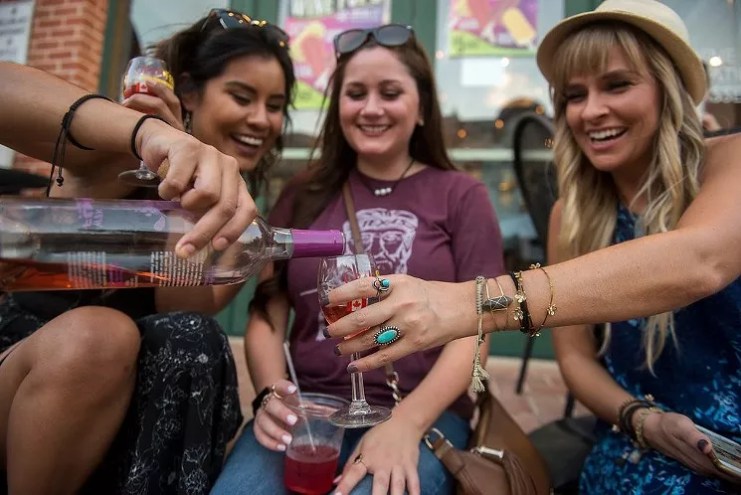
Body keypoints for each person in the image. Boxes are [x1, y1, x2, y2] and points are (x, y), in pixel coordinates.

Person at [324, 1, 740, 493]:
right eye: (574, 95)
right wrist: (641, 419)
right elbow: (576, 361)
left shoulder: (730, 161)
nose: (591, 110)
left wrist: (469, 303)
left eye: (617, 85)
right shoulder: (573, 214)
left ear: (669, 88)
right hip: (640, 443)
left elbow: (699, 261)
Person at [0, 8, 295, 494]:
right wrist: (144, 134)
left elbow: (182, 305)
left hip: (123, 402)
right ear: (189, 94)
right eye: (242, 97)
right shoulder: (126, 144)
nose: (261, 119)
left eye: (275, 105)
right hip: (28, 370)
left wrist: (186, 197)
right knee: (100, 336)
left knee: (193, 337)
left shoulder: (245, 225)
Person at [212, 24, 505, 495]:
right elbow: (268, 312)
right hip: (309, 410)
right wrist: (271, 395)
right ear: (339, 108)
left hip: (418, 412)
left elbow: (478, 326)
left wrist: (407, 424)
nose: (370, 108)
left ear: (422, 107)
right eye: (355, 94)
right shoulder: (303, 192)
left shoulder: (462, 195)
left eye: (390, 93)